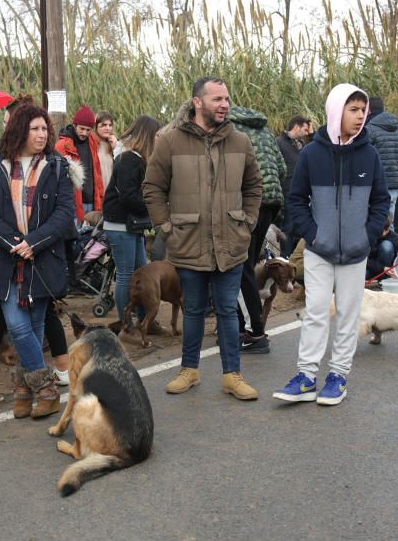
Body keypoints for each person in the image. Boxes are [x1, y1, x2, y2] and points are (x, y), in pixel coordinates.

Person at [143, 76, 263, 401]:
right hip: (187, 241)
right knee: (193, 310)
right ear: (198, 102)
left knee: (226, 309)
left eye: (227, 99)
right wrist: (166, 228)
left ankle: (232, 376)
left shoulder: (240, 141)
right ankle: (189, 370)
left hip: (230, 244)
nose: (224, 105)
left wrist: (247, 222)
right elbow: (152, 188)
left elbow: (254, 187)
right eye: (217, 99)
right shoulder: (170, 141)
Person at [274, 83, 389, 406]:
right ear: (336, 111)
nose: (360, 116)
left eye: (363, 110)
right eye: (353, 110)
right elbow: (296, 200)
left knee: (349, 316)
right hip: (319, 251)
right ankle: (307, 376)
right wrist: (313, 234)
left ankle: (337, 377)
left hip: (355, 253)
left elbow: (381, 201)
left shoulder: (370, 154)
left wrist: (366, 236)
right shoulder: (311, 153)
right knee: (315, 312)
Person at [0, 103, 75, 419]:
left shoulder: (58, 166)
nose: (42, 133)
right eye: (35, 128)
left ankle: (21, 391)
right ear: (19, 130)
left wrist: (34, 242)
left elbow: (64, 214)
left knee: (32, 326)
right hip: (4, 259)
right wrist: (15, 242)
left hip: (42, 259)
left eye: (45, 128)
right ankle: (45, 387)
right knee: (18, 324)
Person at [226, 105, 287, 354]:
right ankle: (246, 326)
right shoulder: (265, 131)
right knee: (247, 265)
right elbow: (282, 169)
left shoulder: (231, 130)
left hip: (248, 203)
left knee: (240, 268)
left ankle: (254, 332)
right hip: (271, 203)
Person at [102, 115, 161, 329]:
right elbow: (128, 196)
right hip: (120, 224)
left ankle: (145, 321)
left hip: (131, 224)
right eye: (156, 136)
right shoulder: (129, 159)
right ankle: (125, 324)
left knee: (141, 274)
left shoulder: (135, 159)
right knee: (127, 275)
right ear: (147, 136)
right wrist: (152, 208)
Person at [55, 104, 104, 220]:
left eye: (88, 130)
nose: (84, 133)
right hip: (73, 205)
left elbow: (97, 173)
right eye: (81, 129)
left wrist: (100, 199)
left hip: (93, 202)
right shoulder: (62, 146)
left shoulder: (93, 143)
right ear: (74, 125)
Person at [364, 96, 398, 220]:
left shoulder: (369, 130)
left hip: (375, 186)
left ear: (368, 110)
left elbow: (364, 158)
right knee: (388, 224)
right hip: (394, 185)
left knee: (373, 223)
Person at [276, 116, 311, 257]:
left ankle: (293, 261)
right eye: (305, 129)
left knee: (299, 228)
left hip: (301, 194)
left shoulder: (301, 144)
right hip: (287, 192)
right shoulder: (279, 143)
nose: (307, 132)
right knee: (287, 229)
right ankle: (283, 260)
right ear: (296, 127)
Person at [365, 216, 398, 282]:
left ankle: (383, 277)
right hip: (371, 268)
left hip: (385, 270)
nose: (383, 233)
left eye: (386, 230)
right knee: (357, 276)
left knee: (387, 245)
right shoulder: (369, 237)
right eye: (381, 230)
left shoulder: (395, 238)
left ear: (389, 227)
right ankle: (380, 276)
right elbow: (366, 261)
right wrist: (382, 268)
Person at [94, 110, 119, 189]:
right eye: (104, 125)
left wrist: (115, 148)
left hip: (110, 194)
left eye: (110, 125)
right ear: (96, 126)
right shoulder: (92, 144)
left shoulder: (113, 144)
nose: (108, 128)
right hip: (96, 193)